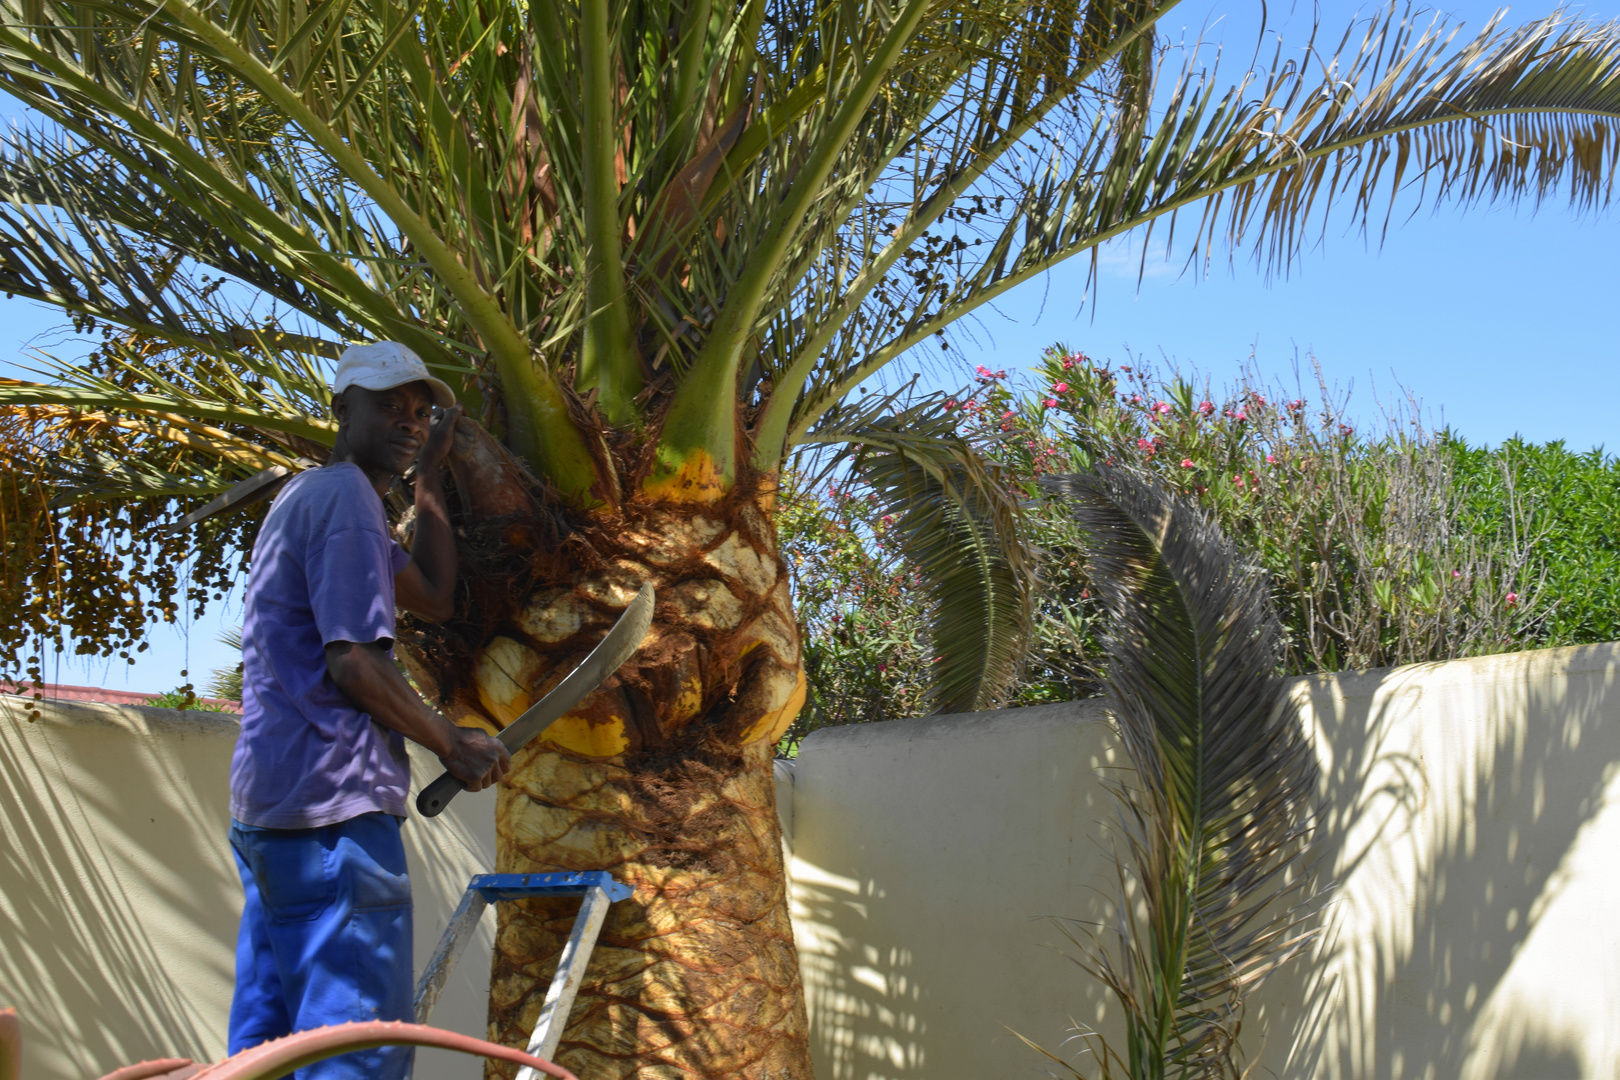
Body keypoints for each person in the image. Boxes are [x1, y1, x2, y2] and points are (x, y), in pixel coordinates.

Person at [226, 341, 510, 1079]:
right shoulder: (346, 499)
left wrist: (432, 475)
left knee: (267, 1054)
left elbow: (436, 596)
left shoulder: (311, 499)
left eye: (420, 411)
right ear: (340, 410)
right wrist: (451, 741)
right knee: (356, 1057)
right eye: (388, 406)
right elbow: (352, 659)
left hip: (271, 814)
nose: (409, 421)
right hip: (334, 817)